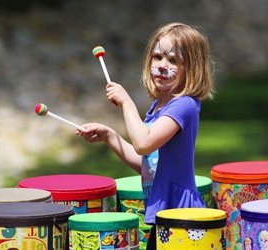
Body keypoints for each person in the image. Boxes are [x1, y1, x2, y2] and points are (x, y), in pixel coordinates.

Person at [77, 22, 215, 250]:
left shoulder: (184, 106)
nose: (162, 66)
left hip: (183, 219)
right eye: (157, 56)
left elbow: (143, 144)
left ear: (192, 69)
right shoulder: (158, 108)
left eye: (173, 60)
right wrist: (110, 136)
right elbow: (149, 165)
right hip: (163, 217)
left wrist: (126, 102)